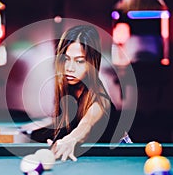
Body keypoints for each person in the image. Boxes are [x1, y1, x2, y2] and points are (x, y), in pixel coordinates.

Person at [21, 25, 129, 161]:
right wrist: (43, 125)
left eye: (79, 61)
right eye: (66, 59)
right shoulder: (68, 90)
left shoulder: (100, 100)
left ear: (92, 63)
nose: (70, 68)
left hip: (122, 159)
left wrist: (71, 139)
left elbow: (86, 125)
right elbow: (71, 119)